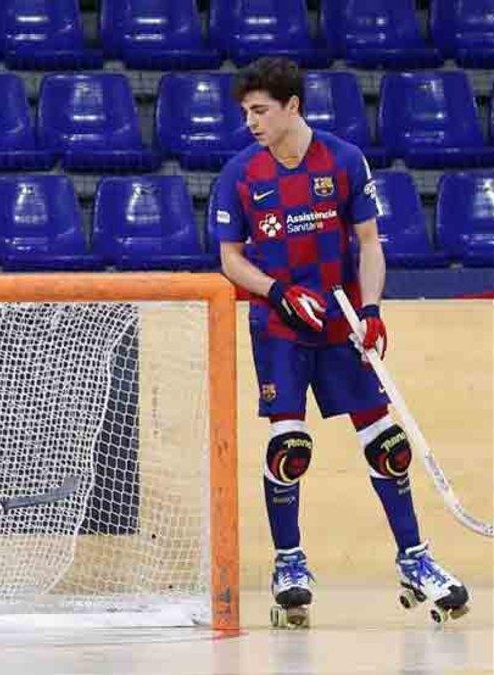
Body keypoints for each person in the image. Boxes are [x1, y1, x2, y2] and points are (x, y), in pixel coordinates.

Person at [212, 57, 469, 627]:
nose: (251, 122)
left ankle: (414, 560)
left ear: (292, 107)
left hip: (342, 321)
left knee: (387, 444)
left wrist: (372, 312)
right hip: (280, 326)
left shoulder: (344, 161)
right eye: (246, 112)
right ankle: (289, 563)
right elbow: (230, 260)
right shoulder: (241, 174)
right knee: (290, 447)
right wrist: (277, 292)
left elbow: (370, 244)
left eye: (260, 111)